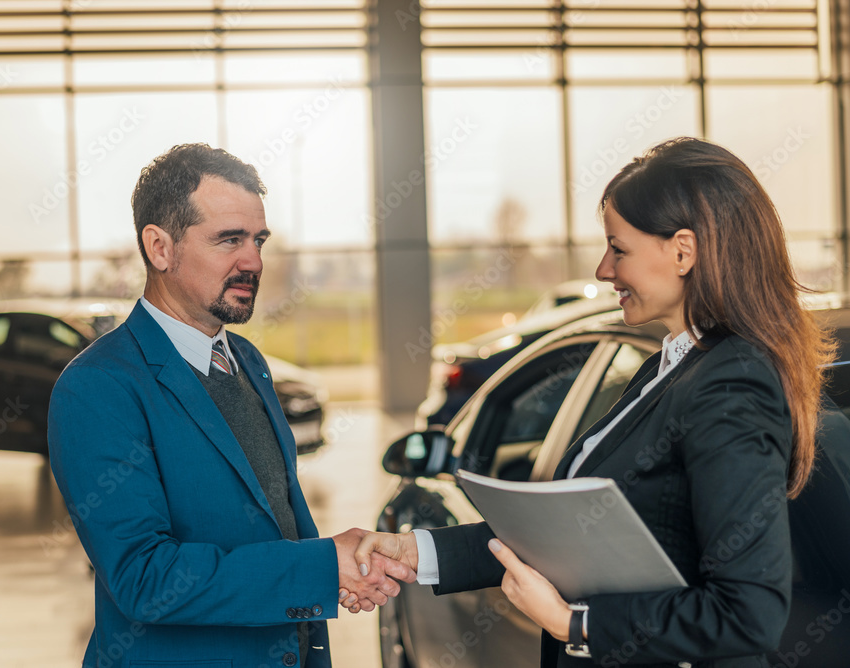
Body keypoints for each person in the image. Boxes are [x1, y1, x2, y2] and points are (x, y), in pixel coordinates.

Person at [346, 137, 835, 667]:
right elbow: (572, 540)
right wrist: (414, 552)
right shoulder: (671, 367)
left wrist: (572, 623)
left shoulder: (731, 385)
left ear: (683, 251)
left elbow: (747, 612)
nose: (604, 270)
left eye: (618, 248)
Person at [48, 143, 413, 668]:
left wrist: (329, 571)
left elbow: (278, 523)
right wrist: (321, 568)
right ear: (160, 248)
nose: (254, 262)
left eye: (258, 240)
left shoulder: (247, 360)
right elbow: (144, 578)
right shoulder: (98, 387)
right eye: (229, 240)